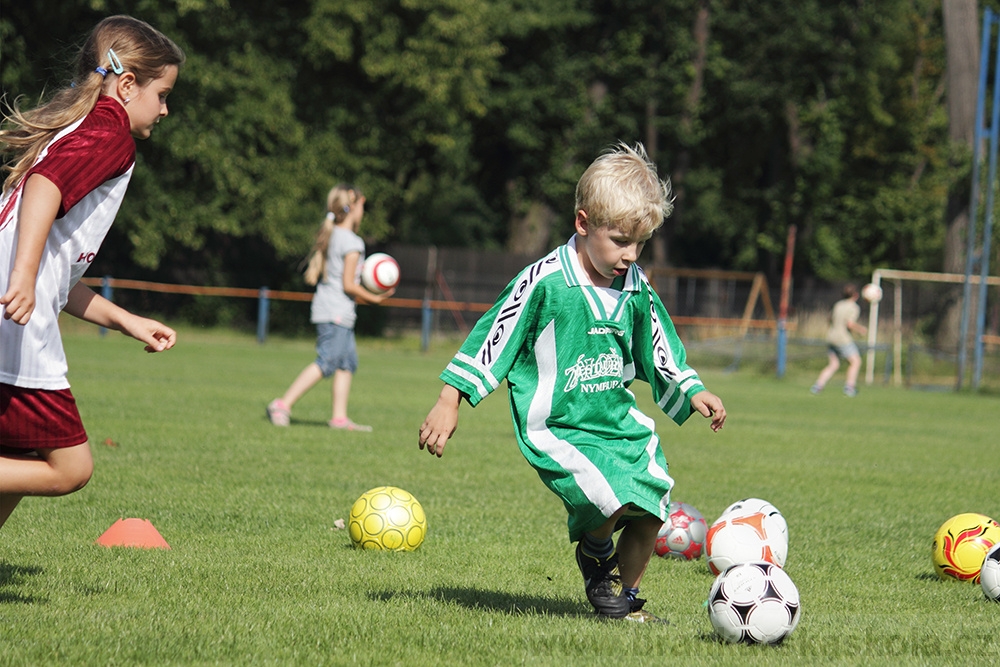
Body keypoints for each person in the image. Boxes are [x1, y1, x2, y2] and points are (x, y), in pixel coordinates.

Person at [418, 143, 726, 622]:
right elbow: (494, 336)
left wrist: (692, 388)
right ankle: (596, 553)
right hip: (560, 424)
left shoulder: (635, 286)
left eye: (639, 243)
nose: (630, 254)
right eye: (620, 240)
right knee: (610, 494)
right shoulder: (544, 281)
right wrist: (449, 398)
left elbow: (659, 342)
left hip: (616, 420)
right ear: (583, 224)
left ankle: (624, 603)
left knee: (651, 507)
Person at [0, 16, 185, 529]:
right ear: (128, 86)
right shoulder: (110, 132)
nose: (166, 109)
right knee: (69, 467)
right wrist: (21, 275)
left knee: (22, 452)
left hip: (13, 308)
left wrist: (126, 321)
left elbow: (57, 276)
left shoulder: (76, 125)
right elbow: (43, 185)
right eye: (163, 94)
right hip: (15, 322)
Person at [267, 185, 394, 431]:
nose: (363, 212)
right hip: (336, 312)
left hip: (331, 309)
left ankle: (339, 418)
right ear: (354, 207)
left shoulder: (332, 233)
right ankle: (282, 404)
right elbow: (349, 284)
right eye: (363, 207)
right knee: (327, 362)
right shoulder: (353, 242)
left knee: (347, 363)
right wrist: (374, 299)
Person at [811, 283, 868, 397]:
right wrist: (861, 329)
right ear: (856, 295)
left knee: (833, 365)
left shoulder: (838, 305)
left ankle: (817, 386)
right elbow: (849, 324)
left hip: (831, 337)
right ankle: (849, 388)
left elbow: (829, 318)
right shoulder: (853, 307)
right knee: (856, 362)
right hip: (843, 339)